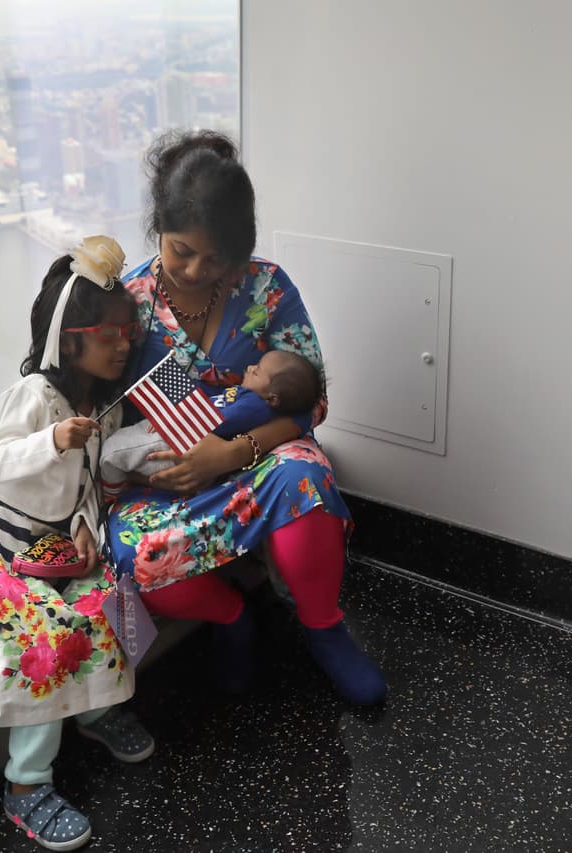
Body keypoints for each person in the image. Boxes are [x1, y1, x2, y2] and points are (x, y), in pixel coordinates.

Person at [107, 130, 387, 706]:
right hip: (165, 477)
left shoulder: (266, 287)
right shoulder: (130, 304)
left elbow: (311, 402)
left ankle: (324, 627)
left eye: (215, 257)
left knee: (305, 479)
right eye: (181, 250)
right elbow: (104, 414)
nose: (195, 269)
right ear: (158, 225)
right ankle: (230, 617)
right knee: (134, 557)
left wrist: (234, 452)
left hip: (260, 458)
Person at [0, 236, 154, 851]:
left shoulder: (106, 405)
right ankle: (25, 783)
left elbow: (88, 483)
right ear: (68, 340)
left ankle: (94, 712)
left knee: (105, 607)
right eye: (110, 335)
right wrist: (51, 441)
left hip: (59, 540)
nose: (123, 346)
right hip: (3, 540)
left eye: (128, 334)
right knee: (41, 642)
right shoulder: (35, 398)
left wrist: (85, 526)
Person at [100, 349, 322, 492]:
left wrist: (176, 419)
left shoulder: (255, 405)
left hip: (185, 443)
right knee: (120, 443)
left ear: (272, 398)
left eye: (257, 372)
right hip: (180, 428)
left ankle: (112, 491)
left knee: (112, 451)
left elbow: (217, 421)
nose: (250, 367)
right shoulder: (248, 396)